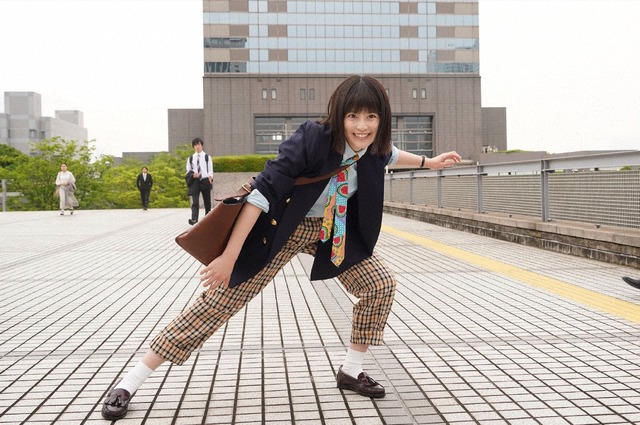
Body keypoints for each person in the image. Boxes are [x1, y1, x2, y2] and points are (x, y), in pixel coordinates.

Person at [101, 75, 462, 421]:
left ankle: (351, 371)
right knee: (219, 300)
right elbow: (261, 196)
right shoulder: (311, 139)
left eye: (371, 117)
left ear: (382, 119)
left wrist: (429, 162)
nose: (362, 126)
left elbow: (391, 155)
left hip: (331, 229)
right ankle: (130, 382)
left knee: (380, 284)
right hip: (283, 225)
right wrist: (229, 257)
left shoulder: (374, 146)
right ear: (339, 114)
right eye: (353, 116)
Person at [186, 137, 214, 225]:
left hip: (205, 180)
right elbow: (188, 171)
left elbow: (210, 169)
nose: (197, 146)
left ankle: (208, 218)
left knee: (207, 201)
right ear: (193, 147)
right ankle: (194, 219)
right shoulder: (191, 158)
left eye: (198, 144)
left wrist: (210, 177)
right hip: (195, 181)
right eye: (195, 145)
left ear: (202, 145)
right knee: (195, 202)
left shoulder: (207, 157)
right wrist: (192, 175)